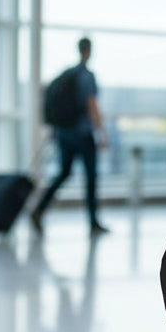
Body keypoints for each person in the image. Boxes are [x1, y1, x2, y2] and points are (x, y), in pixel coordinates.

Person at [31, 37, 110, 236]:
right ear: (89, 51)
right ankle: (93, 222)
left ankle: (39, 209)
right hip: (82, 134)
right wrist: (102, 133)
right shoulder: (86, 76)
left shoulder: (67, 75)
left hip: (65, 134)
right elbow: (92, 106)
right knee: (91, 177)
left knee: (63, 173)